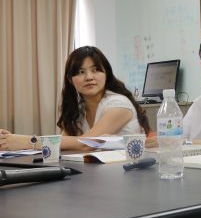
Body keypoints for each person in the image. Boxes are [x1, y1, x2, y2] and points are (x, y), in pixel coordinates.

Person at [0, 46, 150, 151]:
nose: (89, 77)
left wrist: (27, 141)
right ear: (71, 79)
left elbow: (88, 143)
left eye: (96, 70)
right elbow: (63, 143)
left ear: (107, 74)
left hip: (128, 175)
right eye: (80, 72)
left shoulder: (119, 104)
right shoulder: (79, 108)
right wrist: (8, 141)